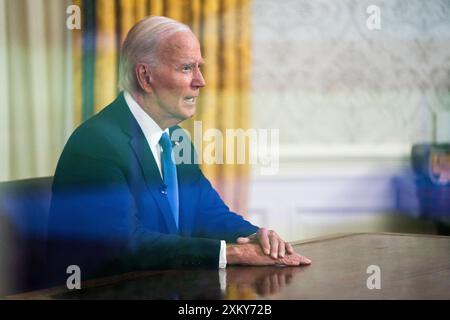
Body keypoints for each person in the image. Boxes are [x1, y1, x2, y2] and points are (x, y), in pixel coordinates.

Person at [47, 16, 310, 285]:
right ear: (145, 76)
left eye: (199, 67)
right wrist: (232, 253)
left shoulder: (174, 137)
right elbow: (123, 245)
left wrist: (258, 238)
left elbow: (208, 213)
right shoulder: (95, 144)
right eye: (187, 68)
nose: (201, 81)